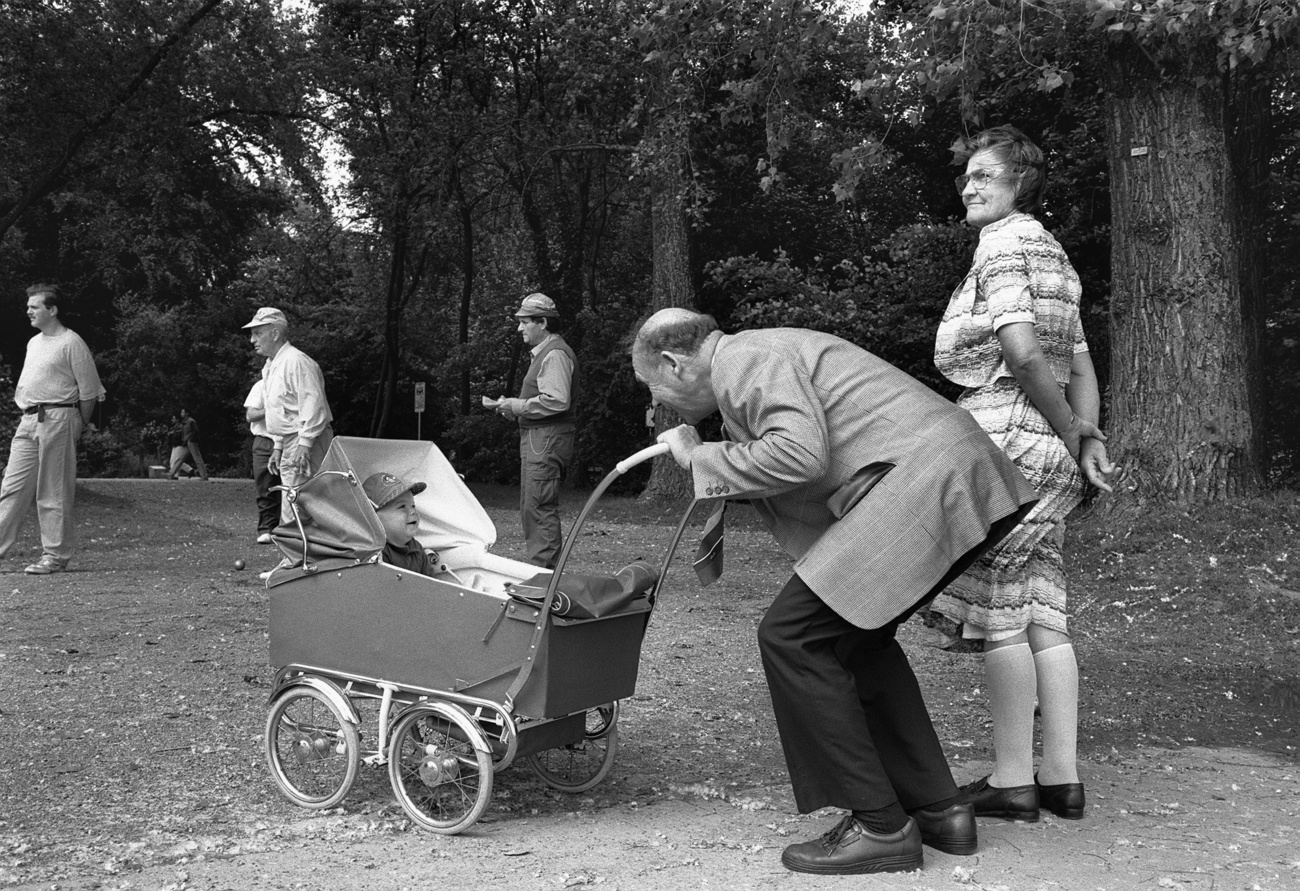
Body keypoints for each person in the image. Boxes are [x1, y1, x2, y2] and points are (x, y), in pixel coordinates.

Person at [632, 308, 1039, 875]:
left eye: (653, 388)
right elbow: (803, 464)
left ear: (674, 362)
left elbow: (798, 454)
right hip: (948, 475)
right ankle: (939, 810)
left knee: (792, 637)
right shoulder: (758, 359)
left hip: (923, 483)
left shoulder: (746, 361)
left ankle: (880, 826)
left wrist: (696, 456)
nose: (658, 405)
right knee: (857, 641)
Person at [932, 125, 1117, 823]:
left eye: (984, 176)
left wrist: (1075, 432)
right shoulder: (1056, 255)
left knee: (1002, 612)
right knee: (1041, 608)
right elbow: (1081, 366)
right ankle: (1061, 778)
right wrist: (1081, 441)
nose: (969, 187)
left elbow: (1022, 350)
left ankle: (1013, 779)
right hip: (1052, 445)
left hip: (1009, 437)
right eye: (968, 176)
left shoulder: (1004, 243)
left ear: (1019, 185)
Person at [0, 284, 106, 575]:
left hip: (60, 417)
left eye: (34, 307)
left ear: (52, 309)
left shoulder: (72, 343)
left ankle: (55, 556)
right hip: (28, 419)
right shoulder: (34, 342)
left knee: (52, 489)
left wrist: (77, 424)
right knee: (12, 487)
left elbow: (88, 392)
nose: (28, 311)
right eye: (29, 307)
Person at [241, 307, 334, 579]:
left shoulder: (296, 362)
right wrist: (279, 446)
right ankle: (295, 562)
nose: (252, 340)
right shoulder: (271, 366)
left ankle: (300, 564)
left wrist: (304, 445)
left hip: (307, 440)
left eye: (257, 333)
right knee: (292, 500)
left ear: (275, 332)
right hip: (291, 440)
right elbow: (282, 411)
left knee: (303, 500)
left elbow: (312, 405)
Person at [488, 293, 577, 569]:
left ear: (543, 322)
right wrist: (512, 408)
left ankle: (544, 580)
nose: (519, 328)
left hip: (546, 440)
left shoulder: (555, 355)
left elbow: (557, 400)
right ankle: (541, 575)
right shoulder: (546, 353)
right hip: (540, 438)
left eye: (525, 321)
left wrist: (518, 406)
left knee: (539, 507)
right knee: (533, 506)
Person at [361, 471, 439, 576]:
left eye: (413, 505)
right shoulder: (374, 552)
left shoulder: (417, 550)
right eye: (402, 506)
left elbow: (432, 587)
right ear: (373, 517)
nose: (413, 511)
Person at [243, 377, 281, 545]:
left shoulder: (292, 386)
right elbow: (250, 415)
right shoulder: (261, 386)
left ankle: (293, 530)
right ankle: (267, 529)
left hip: (290, 439)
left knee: (293, 487)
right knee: (265, 486)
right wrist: (271, 410)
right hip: (264, 441)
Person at [167, 408, 209, 481]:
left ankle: (204, 476)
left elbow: (196, 431)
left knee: (197, 459)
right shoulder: (184, 422)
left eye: (183, 412)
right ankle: (171, 474)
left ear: (187, 413)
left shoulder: (191, 421)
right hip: (186, 443)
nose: (181, 414)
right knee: (180, 459)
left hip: (191, 442)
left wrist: (192, 439)